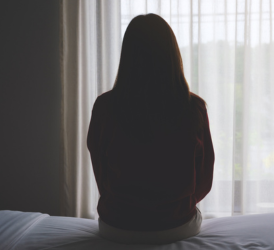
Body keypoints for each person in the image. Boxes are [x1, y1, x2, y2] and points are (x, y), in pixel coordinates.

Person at [87, 13, 214, 245]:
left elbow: (101, 173)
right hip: (177, 226)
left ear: (128, 56)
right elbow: (204, 179)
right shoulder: (193, 107)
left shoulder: (104, 107)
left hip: (116, 226)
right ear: (172, 55)